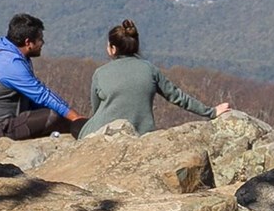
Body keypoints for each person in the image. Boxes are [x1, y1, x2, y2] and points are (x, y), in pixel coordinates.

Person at [78, 18, 231, 138]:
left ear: (113, 48)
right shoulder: (149, 70)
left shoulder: (100, 73)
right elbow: (177, 97)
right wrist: (211, 112)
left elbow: (96, 110)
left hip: (102, 134)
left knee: (76, 125)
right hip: (142, 134)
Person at [0, 13, 87, 163]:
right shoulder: (11, 64)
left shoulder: (1, 49)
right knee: (53, 116)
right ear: (28, 42)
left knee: (54, 114)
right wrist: (76, 118)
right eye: (40, 39)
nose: (42, 43)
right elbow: (42, 95)